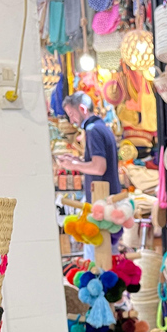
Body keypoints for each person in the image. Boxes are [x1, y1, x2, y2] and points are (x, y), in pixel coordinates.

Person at [58, 91, 123, 260]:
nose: (72, 120)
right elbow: (99, 163)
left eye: (72, 114)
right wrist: (77, 160)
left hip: (101, 205)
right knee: (108, 257)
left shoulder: (93, 130)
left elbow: (99, 167)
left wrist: (73, 165)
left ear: (82, 108)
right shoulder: (102, 128)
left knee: (96, 261)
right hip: (108, 203)